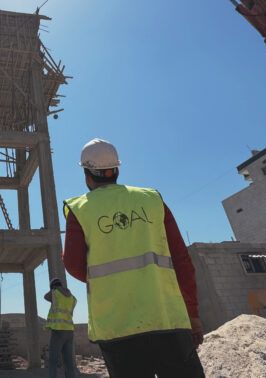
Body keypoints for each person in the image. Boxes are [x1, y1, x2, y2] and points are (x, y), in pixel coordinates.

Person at [62, 138, 205, 378]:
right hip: (168, 320)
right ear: (116, 170)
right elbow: (181, 260)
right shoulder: (151, 199)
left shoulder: (80, 209)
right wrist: (192, 314)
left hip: (117, 327)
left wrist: (111, 281)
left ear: (87, 174)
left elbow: (74, 265)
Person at [44, 278, 78, 378]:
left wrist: (53, 289)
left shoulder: (55, 293)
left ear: (53, 286)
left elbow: (45, 296)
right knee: (69, 362)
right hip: (69, 331)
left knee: (53, 361)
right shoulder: (72, 298)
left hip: (58, 331)